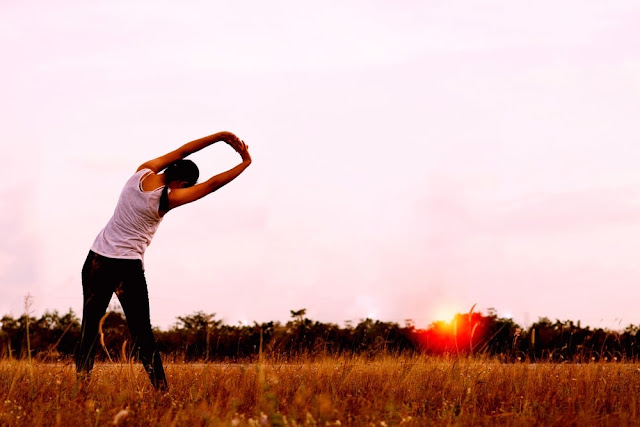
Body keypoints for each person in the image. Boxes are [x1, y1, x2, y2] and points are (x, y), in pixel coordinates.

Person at [75, 131, 251, 390]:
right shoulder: (164, 198)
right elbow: (212, 185)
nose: (184, 191)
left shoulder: (141, 173)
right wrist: (244, 162)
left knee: (88, 330)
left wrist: (220, 137)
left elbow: (182, 151)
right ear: (181, 182)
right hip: (126, 266)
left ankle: (81, 388)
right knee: (142, 335)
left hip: (96, 259)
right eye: (186, 186)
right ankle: (161, 392)